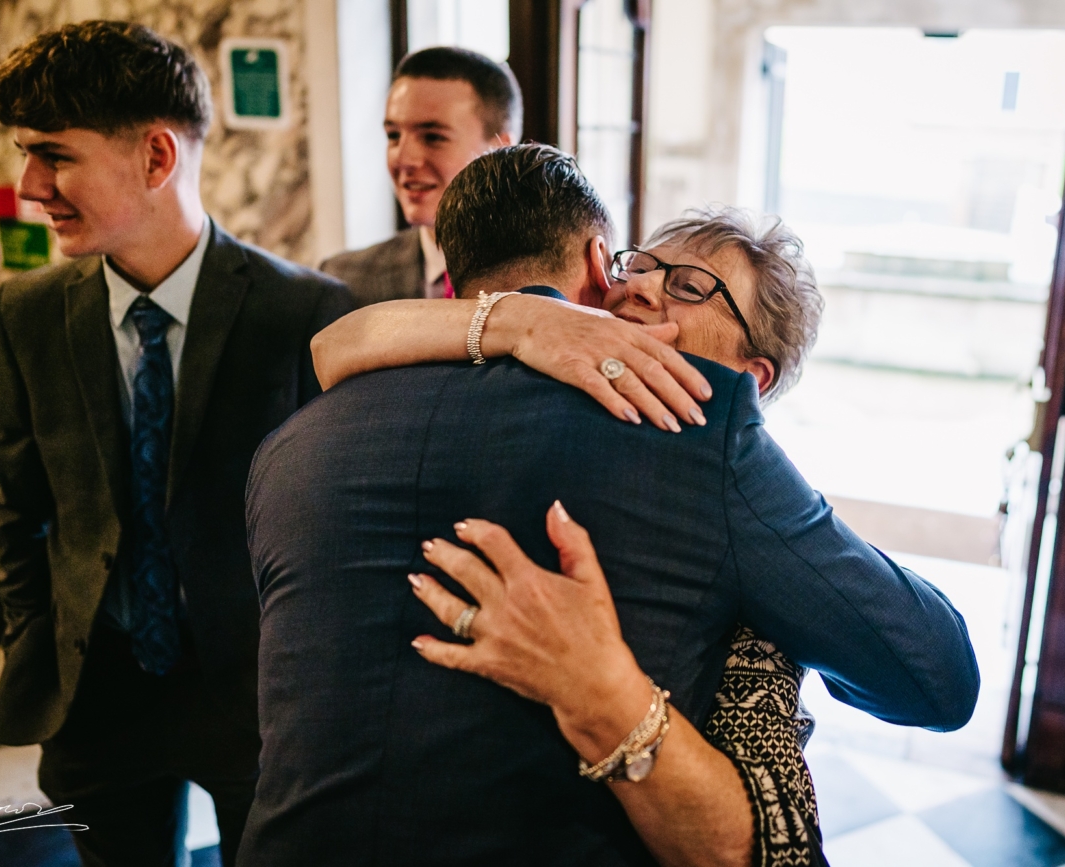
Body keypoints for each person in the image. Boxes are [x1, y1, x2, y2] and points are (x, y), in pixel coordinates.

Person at [240, 144, 978, 864]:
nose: (641, 289)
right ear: (599, 268)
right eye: (638, 265)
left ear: (753, 376)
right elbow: (935, 675)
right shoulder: (698, 450)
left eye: (689, 286)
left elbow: (933, 667)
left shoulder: (294, 441)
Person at [0, 21, 351, 867]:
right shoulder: (25, 313)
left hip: (256, 692)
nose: (30, 185)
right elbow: (19, 504)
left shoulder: (307, 314)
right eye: (25, 154)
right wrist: (38, 636)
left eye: (54, 155)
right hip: (97, 689)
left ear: (155, 157)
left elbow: (335, 531)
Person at [319, 46, 521, 306]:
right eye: (393, 135)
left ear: (499, 150)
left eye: (433, 137)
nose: (403, 160)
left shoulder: (551, 280)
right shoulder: (345, 279)